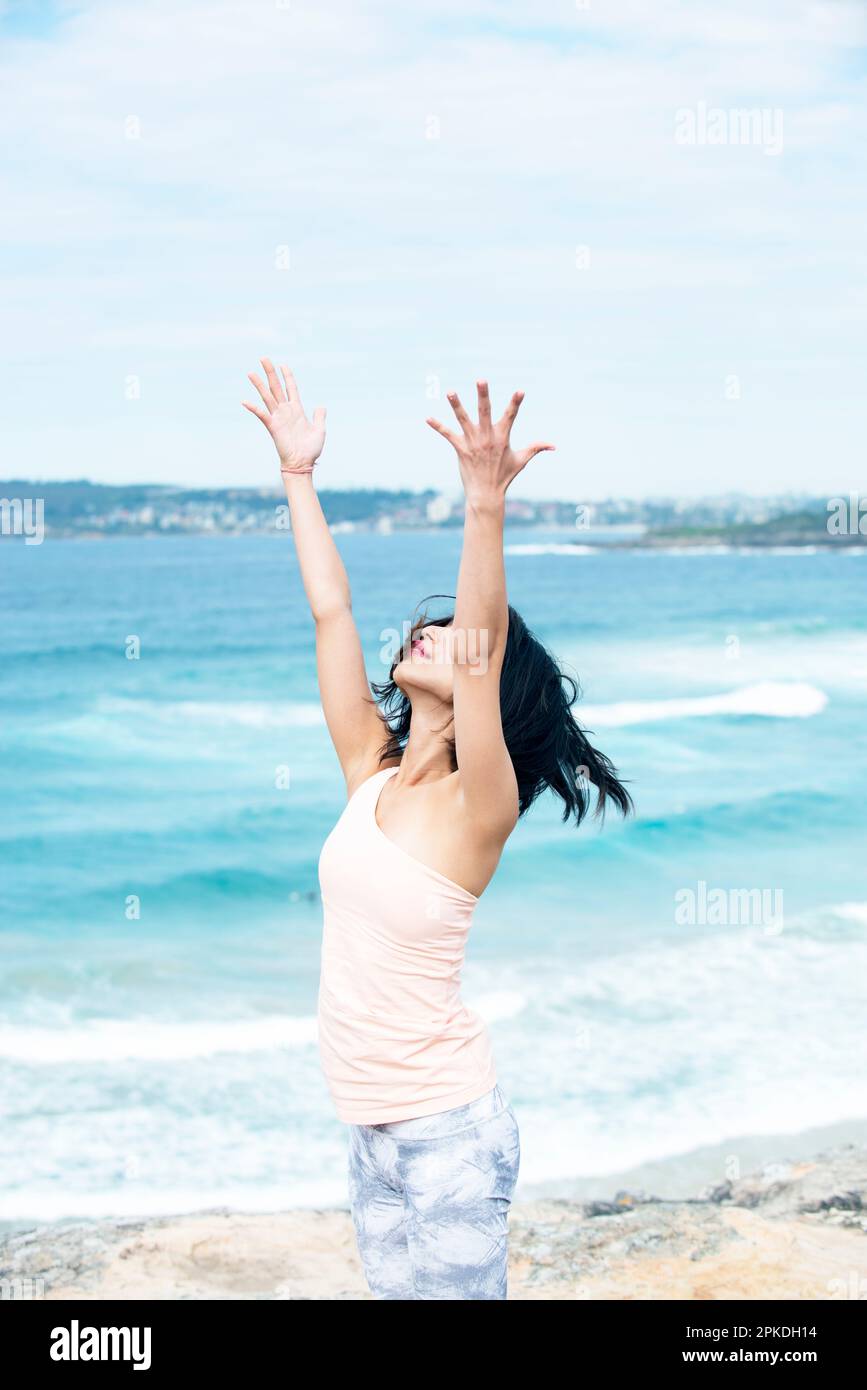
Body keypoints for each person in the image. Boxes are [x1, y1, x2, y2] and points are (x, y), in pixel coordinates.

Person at [243, 358, 632, 1299]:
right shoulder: (365, 771)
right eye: (435, 621)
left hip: (448, 1131)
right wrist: (297, 476)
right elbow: (331, 609)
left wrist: (482, 504)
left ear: (481, 685)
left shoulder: (476, 810)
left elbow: (484, 645)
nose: (433, 630)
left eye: (456, 637)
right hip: (370, 1128)